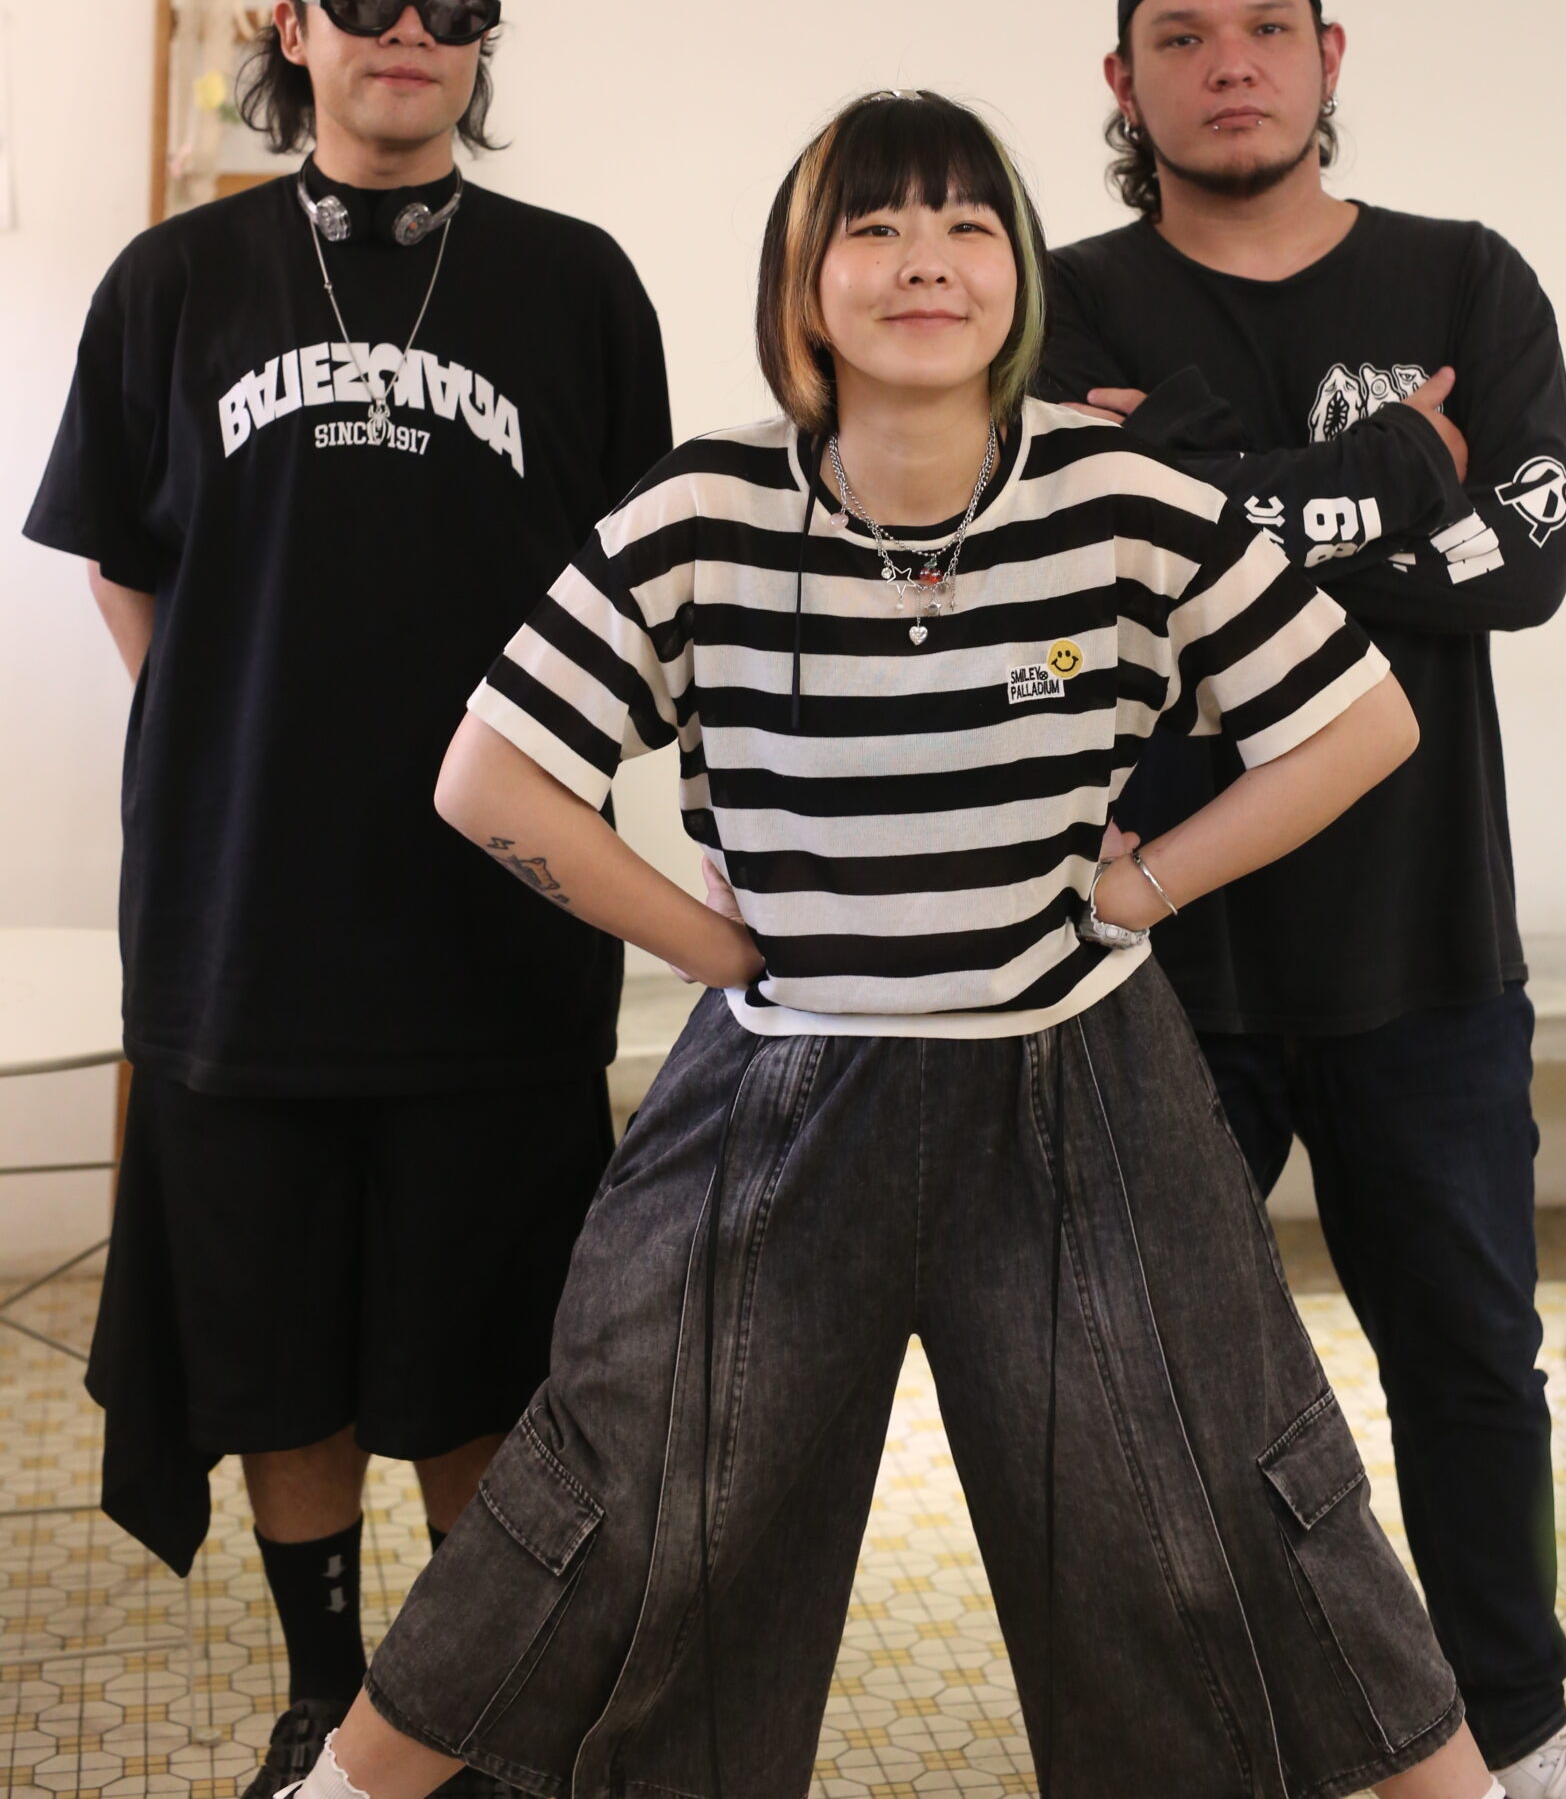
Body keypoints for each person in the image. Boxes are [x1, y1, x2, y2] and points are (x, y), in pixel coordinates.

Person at [282, 88, 1503, 1799]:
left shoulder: (1125, 500)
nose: (925, 261)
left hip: (1083, 1087)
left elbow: (1361, 723)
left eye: (966, 225)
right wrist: (707, 945)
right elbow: (488, 777)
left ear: (1019, 277)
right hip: (775, 1099)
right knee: (622, 1502)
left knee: (1222, 1493)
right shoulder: (702, 509)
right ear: (803, 284)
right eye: (874, 227)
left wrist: (1147, 887)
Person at [23, 0, 672, 1799]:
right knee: (274, 1354)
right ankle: (325, 1698)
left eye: (452, 5)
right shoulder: (173, 282)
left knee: (488, 1350)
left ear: (483, 46)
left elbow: (646, 587)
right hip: (242, 927)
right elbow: (124, 566)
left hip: (498, 928)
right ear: (290, 27)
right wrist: (247, 738)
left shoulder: (576, 285)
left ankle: (462, 1715)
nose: (411, 30)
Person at [1041, 0, 1566, 1799]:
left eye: (1268, 25)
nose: (1232, 63)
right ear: (1124, 80)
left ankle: (1518, 1738)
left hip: (1423, 951)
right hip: (1151, 954)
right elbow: (1083, 567)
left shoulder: (1466, 278)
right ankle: (1221, 1740)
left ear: (1329, 55)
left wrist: (1205, 486)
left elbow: (1526, 561)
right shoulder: (1061, 302)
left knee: (1470, 1371)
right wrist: (1391, 480)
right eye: (1184, 36)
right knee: (1151, 1396)